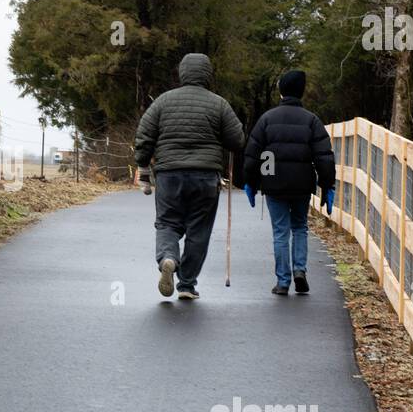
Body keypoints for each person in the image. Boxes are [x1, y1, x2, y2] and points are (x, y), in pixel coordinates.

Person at [134, 53, 245, 300]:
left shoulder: (163, 101)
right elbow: (237, 140)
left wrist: (142, 165)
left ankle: (168, 258)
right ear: (208, 74)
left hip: (169, 174)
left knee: (168, 223)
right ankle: (186, 285)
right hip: (206, 176)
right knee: (199, 230)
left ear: (182, 73)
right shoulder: (219, 104)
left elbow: (144, 135)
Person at [242, 70, 336, 296]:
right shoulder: (312, 120)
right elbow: (323, 156)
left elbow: (254, 154)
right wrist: (327, 185)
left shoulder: (267, 119)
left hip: (274, 184)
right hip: (302, 185)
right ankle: (300, 271)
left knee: (280, 232)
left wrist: (251, 182)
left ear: (281, 91)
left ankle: (283, 281)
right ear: (301, 91)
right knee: (300, 227)